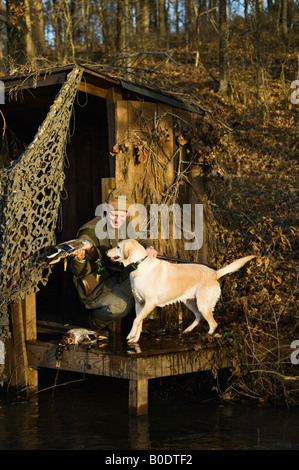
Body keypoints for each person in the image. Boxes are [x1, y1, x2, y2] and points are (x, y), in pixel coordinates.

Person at [69, 188, 157, 336]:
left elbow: (139, 239)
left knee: (150, 279)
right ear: (105, 208)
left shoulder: (125, 224)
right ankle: (96, 322)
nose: (118, 219)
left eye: (122, 215)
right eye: (114, 214)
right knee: (123, 306)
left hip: (118, 279)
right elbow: (77, 272)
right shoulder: (90, 231)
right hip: (96, 287)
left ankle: (144, 320)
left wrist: (149, 247)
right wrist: (79, 258)